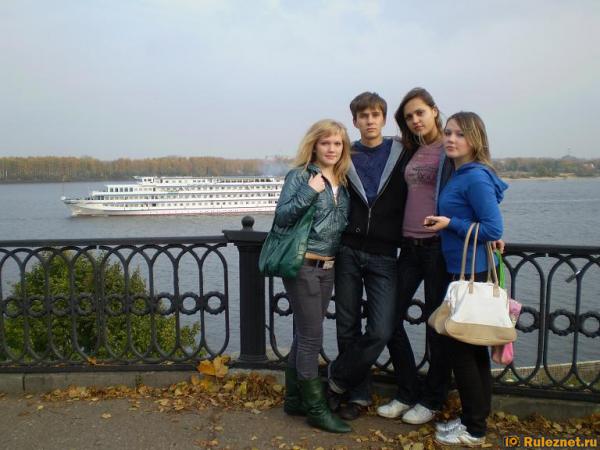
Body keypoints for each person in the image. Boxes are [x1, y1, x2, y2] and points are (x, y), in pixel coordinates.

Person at [327, 92, 413, 420]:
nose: (370, 121)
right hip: (348, 250)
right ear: (355, 121)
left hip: (384, 254)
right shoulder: (345, 153)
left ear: (384, 118)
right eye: (363, 116)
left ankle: (336, 380)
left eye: (375, 115)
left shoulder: (402, 152)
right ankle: (358, 396)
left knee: (380, 329)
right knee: (347, 326)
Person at [424, 111, 508, 447]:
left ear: (475, 139)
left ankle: (474, 430)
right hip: (463, 269)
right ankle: (475, 419)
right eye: (448, 133)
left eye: (460, 134)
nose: (451, 139)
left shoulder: (474, 177)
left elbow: (493, 227)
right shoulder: (462, 174)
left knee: (462, 350)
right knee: (473, 350)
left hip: (470, 272)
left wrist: (450, 224)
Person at [376, 88, 454, 425]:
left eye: (420, 112)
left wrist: (490, 229)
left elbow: (477, 183)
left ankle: (433, 398)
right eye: (409, 116)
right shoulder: (410, 149)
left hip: (438, 247)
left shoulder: (451, 147)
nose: (415, 120)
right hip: (408, 246)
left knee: (437, 326)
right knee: (388, 320)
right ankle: (407, 390)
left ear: (434, 111)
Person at [276, 119, 352, 433]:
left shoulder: (344, 180)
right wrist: (309, 191)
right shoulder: (300, 176)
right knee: (311, 337)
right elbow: (282, 216)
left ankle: (294, 398)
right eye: (326, 143)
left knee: (304, 334)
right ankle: (316, 409)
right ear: (314, 145)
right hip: (303, 266)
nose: (332, 149)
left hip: (328, 269)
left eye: (337, 143)